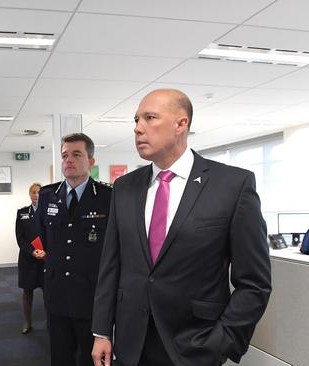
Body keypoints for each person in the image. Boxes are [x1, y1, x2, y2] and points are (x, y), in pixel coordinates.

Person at [91, 89, 272, 366]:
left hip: (195, 344)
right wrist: (102, 331)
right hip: (131, 343)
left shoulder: (232, 185)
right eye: (136, 120)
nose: (138, 128)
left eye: (150, 118)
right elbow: (110, 265)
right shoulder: (125, 187)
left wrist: (224, 341)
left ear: (181, 124)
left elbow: (254, 283)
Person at [35, 133, 112, 366]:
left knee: (94, 359)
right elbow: (39, 236)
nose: (68, 160)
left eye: (76, 154)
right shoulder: (48, 195)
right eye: (64, 155)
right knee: (60, 358)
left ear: (91, 161)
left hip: (90, 296)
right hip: (56, 295)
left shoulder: (107, 197)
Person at [15, 183, 44, 334]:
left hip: (46, 259)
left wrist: (46, 253)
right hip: (28, 259)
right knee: (27, 292)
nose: (36, 195)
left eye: (39, 192)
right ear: (29, 194)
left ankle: (53, 322)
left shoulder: (49, 212)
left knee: (50, 292)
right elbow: (20, 238)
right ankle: (27, 321)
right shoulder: (22, 213)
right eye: (33, 192)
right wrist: (33, 252)